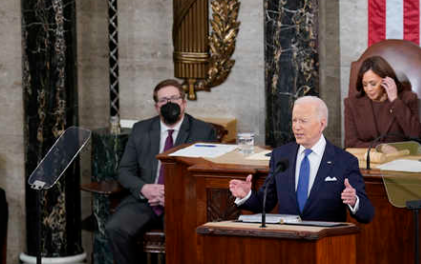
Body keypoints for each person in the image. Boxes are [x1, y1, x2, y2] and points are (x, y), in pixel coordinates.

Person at [106, 79, 216, 264]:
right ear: (157, 106)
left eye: (174, 98)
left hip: (182, 203)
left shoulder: (202, 131)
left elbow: (206, 176)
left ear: (183, 102)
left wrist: (174, 195)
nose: (169, 103)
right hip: (145, 200)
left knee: (179, 236)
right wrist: (144, 188)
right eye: (164, 100)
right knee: (115, 228)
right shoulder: (141, 129)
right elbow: (125, 170)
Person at [229, 96, 374, 223]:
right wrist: (246, 195)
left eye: (303, 121)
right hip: (288, 242)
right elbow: (264, 203)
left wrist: (354, 201)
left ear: (322, 124)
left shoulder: (345, 161)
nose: (296, 127)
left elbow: (367, 214)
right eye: (294, 120)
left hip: (325, 244)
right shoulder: (281, 156)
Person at [344, 56, 421, 148]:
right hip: (367, 158)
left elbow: (415, 135)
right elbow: (350, 143)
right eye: (365, 84)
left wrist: (394, 100)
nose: (369, 89)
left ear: (386, 81)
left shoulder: (407, 98)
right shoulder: (352, 104)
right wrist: (381, 147)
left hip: (400, 158)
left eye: (373, 84)